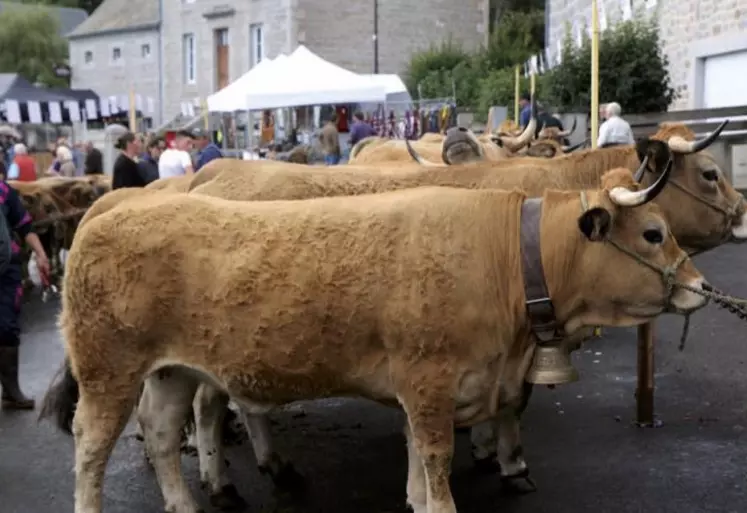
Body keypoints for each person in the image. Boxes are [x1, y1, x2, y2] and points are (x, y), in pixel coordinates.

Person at [0, 160, 50, 409]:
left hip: (5, 268)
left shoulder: (5, 192)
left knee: (7, 327)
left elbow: (24, 225)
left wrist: (41, 254)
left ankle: (11, 391)